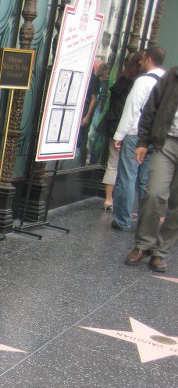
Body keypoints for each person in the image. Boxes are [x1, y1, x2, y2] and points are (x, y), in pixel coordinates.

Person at [125, 64, 178, 273]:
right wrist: (143, 141)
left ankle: (160, 251)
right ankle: (142, 245)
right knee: (154, 193)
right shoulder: (173, 75)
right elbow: (151, 107)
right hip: (166, 143)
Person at [111, 46, 165, 231]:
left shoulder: (143, 81)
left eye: (142, 59)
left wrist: (119, 135)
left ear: (149, 59)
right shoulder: (167, 81)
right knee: (145, 182)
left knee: (127, 177)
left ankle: (122, 220)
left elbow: (132, 108)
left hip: (136, 134)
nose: (139, 63)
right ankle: (145, 221)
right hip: (155, 137)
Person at [97, 52, 144, 210]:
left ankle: (108, 199)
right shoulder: (139, 84)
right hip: (129, 129)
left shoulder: (121, 80)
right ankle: (117, 200)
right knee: (127, 168)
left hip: (114, 125)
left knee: (113, 164)